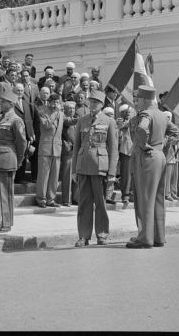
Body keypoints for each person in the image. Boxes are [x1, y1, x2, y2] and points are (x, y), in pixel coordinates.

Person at [127, 85, 179, 249]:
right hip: (160, 157)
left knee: (145, 199)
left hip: (147, 158)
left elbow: (142, 129)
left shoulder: (147, 114)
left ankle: (145, 238)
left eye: (138, 100)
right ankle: (158, 237)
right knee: (158, 199)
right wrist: (164, 143)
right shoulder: (162, 115)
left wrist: (143, 144)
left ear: (144, 99)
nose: (137, 103)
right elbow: (176, 132)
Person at [71, 90, 118, 247]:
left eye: (95, 103)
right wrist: (73, 170)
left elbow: (113, 149)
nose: (92, 105)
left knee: (100, 203)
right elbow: (76, 145)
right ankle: (83, 236)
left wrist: (111, 173)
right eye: (90, 102)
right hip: (83, 166)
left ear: (102, 105)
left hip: (100, 168)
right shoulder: (82, 121)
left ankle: (102, 234)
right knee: (84, 203)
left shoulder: (109, 122)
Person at [0, 91, 27, 232]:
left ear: (12, 103)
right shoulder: (0, 117)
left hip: (7, 158)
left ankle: (6, 222)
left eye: (4, 102)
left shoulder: (16, 120)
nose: (1, 104)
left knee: (5, 192)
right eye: (1, 101)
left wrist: (18, 160)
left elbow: (22, 143)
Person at [35, 93, 64, 208]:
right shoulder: (42, 111)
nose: (55, 105)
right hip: (45, 148)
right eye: (53, 102)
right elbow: (46, 125)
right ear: (49, 102)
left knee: (54, 176)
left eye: (57, 102)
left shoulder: (61, 113)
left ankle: (51, 199)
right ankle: (41, 199)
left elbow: (68, 121)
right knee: (43, 175)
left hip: (57, 148)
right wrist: (54, 113)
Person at [13, 83, 37, 184]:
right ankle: (15, 177)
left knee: (24, 155)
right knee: (16, 155)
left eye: (22, 90)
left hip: (26, 135)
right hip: (15, 134)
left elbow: (30, 119)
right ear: (14, 91)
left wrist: (31, 133)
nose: (20, 92)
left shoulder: (27, 104)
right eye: (18, 90)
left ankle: (21, 177)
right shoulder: (11, 103)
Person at [60, 100, 78, 207]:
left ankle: (76, 198)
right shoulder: (64, 119)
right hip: (68, 151)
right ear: (65, 110)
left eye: (73, 108)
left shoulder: (75, 121)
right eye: (69, 108)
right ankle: (66, 200)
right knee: (67, 176)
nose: (71, 110)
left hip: (77, 152)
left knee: (76, 176)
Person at [116, 103, 134, 208]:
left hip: (134, 150)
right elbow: (118, 130)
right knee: (126, 174)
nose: (128, 114)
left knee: (133, 174)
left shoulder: (133, 121)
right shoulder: (119, 121)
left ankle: (131, 194)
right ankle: (125, 196)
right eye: (126, 113)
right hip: (125, 151)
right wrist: (122, 124)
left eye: (129, 113)